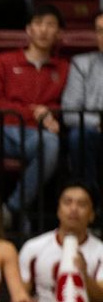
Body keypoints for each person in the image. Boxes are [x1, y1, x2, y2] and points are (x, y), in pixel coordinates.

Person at [0, 4, 68, 221]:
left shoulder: (64, 68)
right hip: (0, 130)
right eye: (38, 24)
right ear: (28, 30)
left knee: (52, 144)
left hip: (36, 136)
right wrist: (34, 112)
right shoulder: (4, 61)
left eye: (50, 25)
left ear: (59, 34)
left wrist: (51, 113)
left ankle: (12, 209)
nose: (43, 30)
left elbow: (68, 104)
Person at [19, 181, 103, 302]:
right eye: (67, 202)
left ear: (92, 214)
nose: (73, 209)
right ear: (58, 210)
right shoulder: (33, 247)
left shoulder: (100, 251)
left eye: (81, 204)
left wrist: (84, 275)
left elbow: (101, 297)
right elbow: (20, 293)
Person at [61, 12, 103, 189]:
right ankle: (89, 198)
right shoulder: (81, 63)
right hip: (94, 132)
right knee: (79, 136)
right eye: (100, 31)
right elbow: (70, 114)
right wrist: (100, 122)